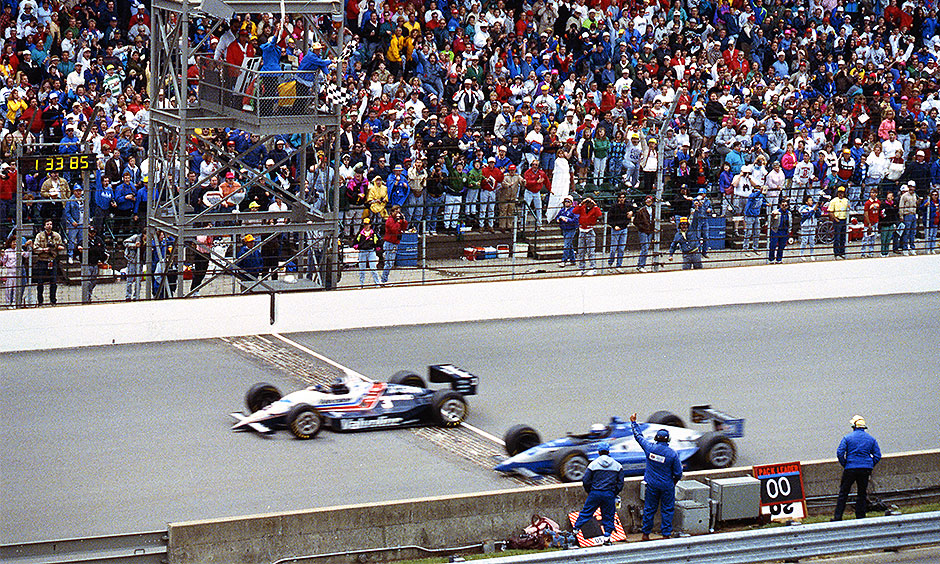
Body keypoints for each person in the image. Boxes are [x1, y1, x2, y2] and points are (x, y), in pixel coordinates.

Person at [630, 413, 682, 540]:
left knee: (649, 509)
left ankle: (645, 534)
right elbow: (678, 473)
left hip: (652, 485)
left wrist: (633, 422)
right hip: (667, 486)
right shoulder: (672, 454)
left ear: (656, 438)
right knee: (667, 510)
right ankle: (665, 534)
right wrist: (673, 482)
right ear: (668, 440)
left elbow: (638, 437)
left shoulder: (649, 448)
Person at [571, 441, 625, 546]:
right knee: (609, 515)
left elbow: (586, 480)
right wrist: (614, 492)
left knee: (586, 513)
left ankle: (574, 532)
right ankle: (607, 537)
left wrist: (590, 491)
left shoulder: (593, 464)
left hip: (595, 493)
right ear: (608, 451)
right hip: (609, 494)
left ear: (599, 452)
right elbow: (620, 483)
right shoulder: (617, 465)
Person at [833, 415, 881, 521]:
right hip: (865, 469)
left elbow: (840, 452)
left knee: (843, 493)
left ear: (853, 426)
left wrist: (845, 464)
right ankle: (860, 517)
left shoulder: (847, 438)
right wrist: (869, 464)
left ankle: (838, 517)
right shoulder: (871, 439)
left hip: (850, 468)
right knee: (862, 493)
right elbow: (877, 455)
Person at [32, 218, 64, 306]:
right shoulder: (39, 235)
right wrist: (43, 250)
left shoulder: (57, 235)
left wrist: (58, 247)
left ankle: (53, 300)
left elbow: (61, 245)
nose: (49, 226)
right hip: (42, 260)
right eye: (47, 224)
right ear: (44, 225)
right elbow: (35, 248)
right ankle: (40, 301)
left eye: (50, 224)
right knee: (40, 281)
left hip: (52, 260)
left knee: (53, 281)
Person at [78, 226, 107, 303]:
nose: (92, 234)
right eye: (91, 232)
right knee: (86, 281)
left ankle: (89, 295)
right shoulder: (84, 240)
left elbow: (102, 250)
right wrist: (79, 250)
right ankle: (86, 298)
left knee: (93, 282)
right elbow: (77, 249)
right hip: (87, 264)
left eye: (94, 232)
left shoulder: (98, 240)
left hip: (95, 263)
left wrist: (102, 259)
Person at [381, 205, 408, 284]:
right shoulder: (389, 220)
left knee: (390, 263)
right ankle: (383, 280)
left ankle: (384, 279)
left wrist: (403, 220)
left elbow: (404, 227)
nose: (397, 214)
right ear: (392, 212)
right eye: (396, 212)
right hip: (389, 243)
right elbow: (394, 230)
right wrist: (398, 221)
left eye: (399, 212)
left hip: (395, 243)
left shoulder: (398, 221)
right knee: (388, 263)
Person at [607, 192, 632, 272]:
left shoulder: (627, 206)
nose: (622, 199)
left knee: (621, 248)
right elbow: (609, 219)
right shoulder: (613, 207)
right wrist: (614, 226)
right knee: (613, 248)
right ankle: (610, 264)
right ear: (618, 198)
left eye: (623, 197)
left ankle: (619, 265)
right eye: (620, 197)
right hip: (616, 229)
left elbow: (634, 208)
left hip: (624, 228)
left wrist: (632, 212)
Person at [354, 217, 381, 286]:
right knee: (362, 269)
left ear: (370, 225)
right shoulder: (360, 234)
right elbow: (355, 241)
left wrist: (378, 247)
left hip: (371, 252)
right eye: (365, 224)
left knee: (373, 268)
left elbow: (378, 241)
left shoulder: (373, 233)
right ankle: (361, 284)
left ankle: (377, 283)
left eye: (367, 224)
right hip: (362, 252)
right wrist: (356, 245)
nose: (366, 226)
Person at [634, 195, 655, 272]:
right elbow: (635, 221)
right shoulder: (641, 210)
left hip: (650, 230)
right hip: (643, 231)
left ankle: (640, 264)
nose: (648, 202)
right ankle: (641, 265)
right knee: (645, 248)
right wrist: (642, 227)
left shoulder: (654, 209)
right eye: (647, 200)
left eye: (650, 200)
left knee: (646, 247)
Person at [767, 198, 792, 264]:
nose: (784, 207)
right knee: (773, 246)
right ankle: (771, 259)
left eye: (785, 205)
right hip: (776, 231)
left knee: (781, 246)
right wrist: (772, 216)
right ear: (780, 205)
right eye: (782, 205)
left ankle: (779, 259)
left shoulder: (789, 213)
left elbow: (790, 222)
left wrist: (789, 231)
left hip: (784, 231)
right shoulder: (776, 212)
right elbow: (770, 221)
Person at [898, 182, 919, 255]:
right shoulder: (904, 196)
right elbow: (901, 206)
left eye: (913, 187)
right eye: (910, 186)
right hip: (907, 215)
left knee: (913, 232)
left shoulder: (915, 195)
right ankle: (905, 248)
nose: (911, 188)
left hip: (913, 214)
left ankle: (912, 247)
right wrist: (901, 216)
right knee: (906, 232)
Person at [556, 196, 578, 267]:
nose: (566, 203)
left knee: (566, 245)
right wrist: (558, 219)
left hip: (571, 229)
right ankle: (572, 259)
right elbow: (558, 216)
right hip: (564, 228)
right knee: (569, 244)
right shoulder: (562, 210)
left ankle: (564, 260)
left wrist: (567, 220)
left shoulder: (574, 210)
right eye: (565, 201)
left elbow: (576, 220)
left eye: (568, 201)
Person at [798, 195, 821, 261]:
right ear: (806, 202)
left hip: (812, 226)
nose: (811, 201)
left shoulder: (814, 207)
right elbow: (807, 215)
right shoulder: (803, 208)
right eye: (810, 200)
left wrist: (817, 210)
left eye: (812, 200)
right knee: (804, 241)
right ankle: (801, 254)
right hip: (805, 226)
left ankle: (812, 254)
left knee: (812, 241)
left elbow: (818, 215)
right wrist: (813, 210)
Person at [829, 187, 849, 259]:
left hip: (844, 220)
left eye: (842, 193)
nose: (841, 194)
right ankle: (836, 253)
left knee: (843, 237)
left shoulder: (846, 201)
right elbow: (830, 212)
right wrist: (835, 219)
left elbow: (849, 209)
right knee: (837, 238)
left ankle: (842, 252)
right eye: (839, 193)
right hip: (837, 220)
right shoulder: (834, 201)